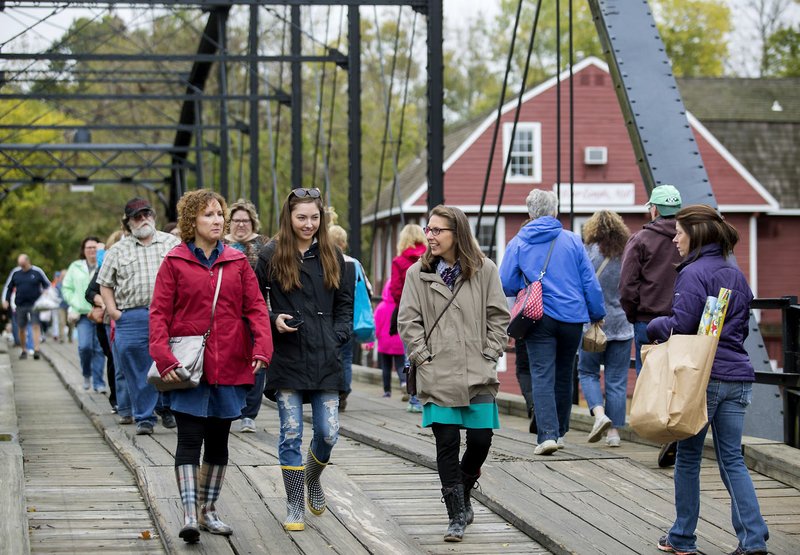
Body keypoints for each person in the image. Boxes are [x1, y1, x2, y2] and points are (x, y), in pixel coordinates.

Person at [150, 189, 273, 544]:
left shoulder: (236, 262)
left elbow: (254, 309)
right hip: (188, 367)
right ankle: (189, 514)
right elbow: (159, 314)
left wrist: (262, 347)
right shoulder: (174, 262)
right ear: (192, 221)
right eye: (209, 215)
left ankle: (209, 510)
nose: (218, 220)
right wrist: (163, 356)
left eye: (220, 214)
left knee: (219, 443)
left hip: (231, 363)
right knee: (189, 439)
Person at [648, 204, 769, 555]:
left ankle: (682, 537)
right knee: (732, 459)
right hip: (738, 376)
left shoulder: (692, 273)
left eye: (680, 232)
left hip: (704, 378)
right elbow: (740, 327)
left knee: (688, 456)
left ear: (696, 235)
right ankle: (753, 540)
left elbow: (681, 325)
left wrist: (654, 326)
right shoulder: (736, 274)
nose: (674, 238)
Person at [398, 205, 509, 543]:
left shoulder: (484, 269)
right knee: (446, 443)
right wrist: (423, 357)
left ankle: (465, 485)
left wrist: (489, 353)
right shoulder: (417, 274)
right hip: (437, 373)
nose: (429, 236)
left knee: (480, 441)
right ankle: (456, 515)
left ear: (456, 233)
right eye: (428, 230)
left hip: (477, 371)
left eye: (437, 231)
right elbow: (408, 320)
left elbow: (499, 316)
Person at [255, 187, 353, 532]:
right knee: (291, 432)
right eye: (301, 218)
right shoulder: (269, 255)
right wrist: (272, 321)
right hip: (288, 355)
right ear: (289, 217)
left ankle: (313, 479)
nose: (308, 224)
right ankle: (295, 503)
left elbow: (345, 305)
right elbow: (252, 302)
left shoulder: (333, 255)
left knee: (329, 432)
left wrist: (338, 335)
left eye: (314, 217)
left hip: (326, 356)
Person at [499, 189, 605, 456]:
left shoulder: (519, 242)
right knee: (565, 373)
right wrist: (596, 313)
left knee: (542, 373)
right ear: (554, 211)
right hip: (572, 317)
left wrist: (528, 281)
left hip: (538, 316)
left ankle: (547, 435)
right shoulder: (572, 241)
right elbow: (589, 282)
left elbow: (506, 283)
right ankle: (561, 432)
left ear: (529, 212)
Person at [97, 197, 181, 435]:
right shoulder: (117, 250)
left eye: (147, 214)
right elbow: (104, 284)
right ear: (128, 223)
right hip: (131, 316)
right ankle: (144, 417)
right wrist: (113, 311)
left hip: (167, 314)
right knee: (136, 367)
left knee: (172, 361)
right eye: (137, 216)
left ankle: (167, 408)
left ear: (154, 216)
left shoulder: (172, 243)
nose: (143, 219)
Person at [619, 184, 683, 467]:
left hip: (649, 320)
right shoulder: (689, 239)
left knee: (651, 379)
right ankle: (679, 429)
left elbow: (627, 286)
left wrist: (634, 314)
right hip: (684, 320)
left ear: (654, 209)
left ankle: (662, 432)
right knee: (680, 378)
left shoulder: (641, 239)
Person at [576, 210, 632, 447]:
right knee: (617, 379)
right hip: (622, 324)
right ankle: (614, 434)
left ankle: (600, 415)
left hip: (593, 324)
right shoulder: (627, 254)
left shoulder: (590, 253)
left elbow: (581, 285)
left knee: (588, 372)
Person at [222, 198, 269, 433]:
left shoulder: (264, 245)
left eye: (246, 220)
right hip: (224, 313)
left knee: (257, 361)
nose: (241, 225)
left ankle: (249, 413)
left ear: (253, 222)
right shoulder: (219, 244)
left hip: (255, 312)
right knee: (228, 361)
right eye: (236, 220)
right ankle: (231, 407)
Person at [328, 224, 371, 411]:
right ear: (344, 243)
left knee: (330, 355)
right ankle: (343, 390)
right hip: (349, 317)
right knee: (346, 356)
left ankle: (331, 389)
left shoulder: (323, 262)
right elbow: (368, 289)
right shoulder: (354, 263)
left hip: (327, 317)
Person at [86, 230, 128, 417]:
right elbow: (90, 291)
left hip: (131, 317)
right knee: (114, 359)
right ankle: (117, 400)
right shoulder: (105, 265)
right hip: (109, 321)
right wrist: (103, 302)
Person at [390, 223, 427, 412]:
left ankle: (415, 400)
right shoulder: (430, 259)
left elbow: (395, 289)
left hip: (408, 312)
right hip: (429, 312)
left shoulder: (399, 261)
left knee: (410, 354)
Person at [62, 236, 107, 392]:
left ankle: (99, 382)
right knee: (85, 347)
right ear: (83, 250)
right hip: (82, 314)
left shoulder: (104, 264)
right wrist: (75, 302)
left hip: (100, 312)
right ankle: (86, 374)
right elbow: (66, 288)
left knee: (99, 349)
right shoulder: (75, 266)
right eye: (88, 248)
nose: (92, 250)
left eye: (95, 247)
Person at [3, 254, 50, 359]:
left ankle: (36, 349)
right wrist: (6, 300)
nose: (21, 266)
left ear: (27, 261)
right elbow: (9, 288)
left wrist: (46, 293)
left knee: (35, 326)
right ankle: (23, 349)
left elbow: (47, 284)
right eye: (20, 264)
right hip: (20, 304)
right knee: (21, 328)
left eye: (23, 264)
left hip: (35, 304)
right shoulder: (16, 273)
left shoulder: (37, 272)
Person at [373, 280, 406, 398]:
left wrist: (372, 341)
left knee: (386, 368)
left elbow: (375, 326)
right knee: (401, 365)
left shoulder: (381, 307)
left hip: (384, 342)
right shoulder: (401, 307)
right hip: (398, 342)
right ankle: (404, 382)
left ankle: (387, 391)